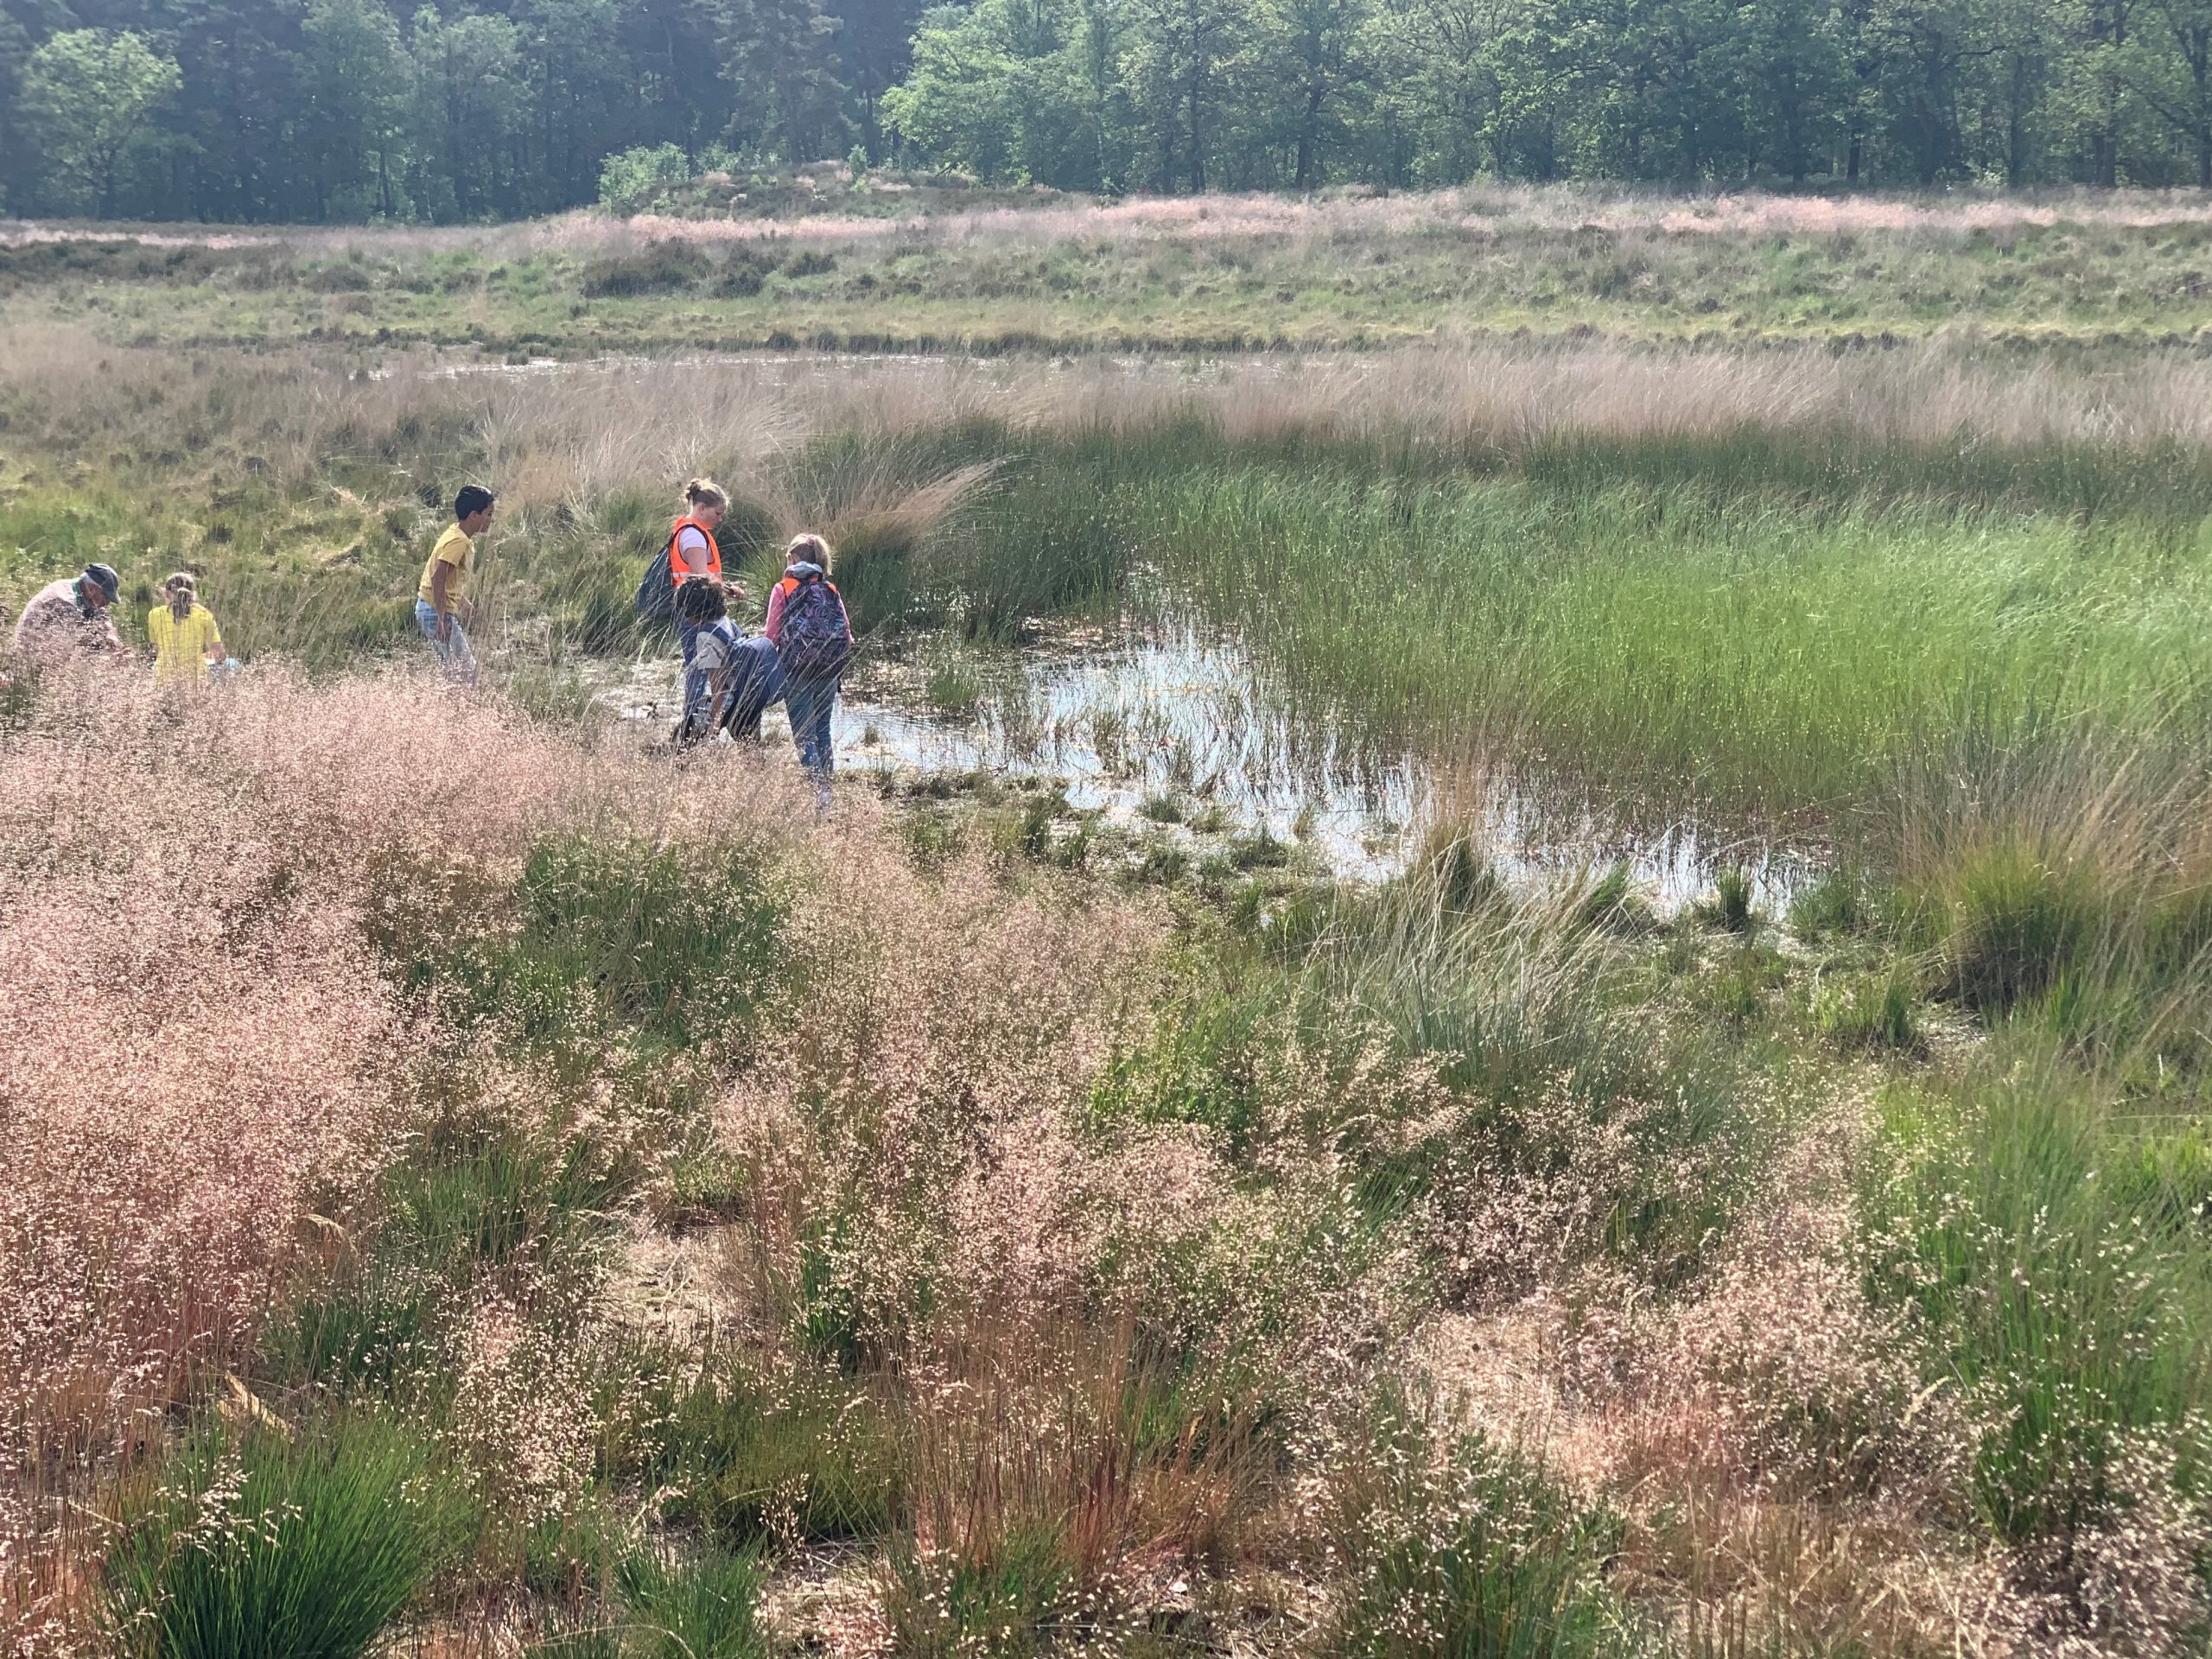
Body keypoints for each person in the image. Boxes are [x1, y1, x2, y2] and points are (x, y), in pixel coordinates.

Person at [763, 533, 852, 810]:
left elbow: (771, 636)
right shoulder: (830, 589)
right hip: (827, 672)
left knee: (804, 735)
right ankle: (827, 791)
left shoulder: (783, 589)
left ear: (792, 559)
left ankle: (818, 795)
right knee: (823, 730)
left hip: (796, 671)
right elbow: (847, 636)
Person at [674, 575, 784, 747]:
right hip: (748, 694)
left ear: (692, 611)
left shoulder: (705, 636)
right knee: (750, 748)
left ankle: (682, 766)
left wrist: (714, 725)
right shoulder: (725, 622)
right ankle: (757, 771)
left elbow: (718, 686)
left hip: (732, 701)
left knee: (682, 739)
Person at [416, 486, 495, 684]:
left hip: (430, 609)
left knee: (455, 669)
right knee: (466, 670)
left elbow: (448, 581)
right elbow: (438, 578)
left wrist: (462, 601)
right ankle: (457, 711)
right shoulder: (459, 542)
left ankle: (452, 708)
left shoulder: (456, 534)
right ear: (473, 515)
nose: (490, 520)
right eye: (488, 514)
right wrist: (443, 619)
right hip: (434, 611)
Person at [14, 563, 123, 665]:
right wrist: (107, 660)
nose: (107, 603)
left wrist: (114, 644)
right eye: (106, 597)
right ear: (91, 588)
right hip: (33, 658)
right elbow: (76, 653)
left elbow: (102, 619)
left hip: (57, 649)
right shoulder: (63, 603)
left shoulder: (84, 592)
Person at [146, 572, 226, 685]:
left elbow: (157, 648)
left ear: (167, 594)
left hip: (163, 680)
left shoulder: (154, 614)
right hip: (196, 682)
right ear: (192, 595)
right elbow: (220, 655)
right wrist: (200, 657)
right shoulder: (205, 615)